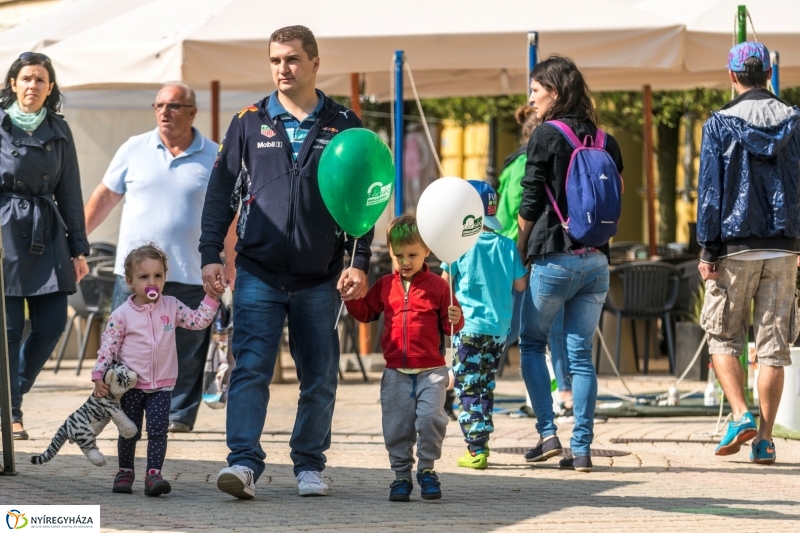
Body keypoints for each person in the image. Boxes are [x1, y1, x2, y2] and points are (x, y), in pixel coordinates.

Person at [200, 25, 372, 500]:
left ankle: (309, 464)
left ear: (315, 63)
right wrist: (210, 253)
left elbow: (365, 198)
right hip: (257, 269)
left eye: (292, 59)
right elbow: (219, 194)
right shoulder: (249, 121)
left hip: (320, 275)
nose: (283, 69)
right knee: (250, 366)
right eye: (276, 60)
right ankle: (243, 463)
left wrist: (359, 260)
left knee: (319, 373)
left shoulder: (345, 123)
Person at [84, 82, 219, 433]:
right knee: (124, 344)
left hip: (190, 269)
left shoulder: (214, 155)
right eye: (159, 105)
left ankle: (178, 415)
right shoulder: (134, 148)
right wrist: (77, 241)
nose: (164, 112)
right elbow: (105, 196)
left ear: (192, 111)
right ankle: (111, 408)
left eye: (173, 106)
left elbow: (227, 216)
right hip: (134, 274)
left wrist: (227, 263)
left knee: (186, 347)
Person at [517, 55, 623, 473]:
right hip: (596, 261)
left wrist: (520, 248)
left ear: (555, 92)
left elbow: (530, 201)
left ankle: (547, 433)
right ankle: (581, 449)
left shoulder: (546, 135)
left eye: (535, 90)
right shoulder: (606, 141)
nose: (530, 99)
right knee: (580, 356)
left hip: (553, 257)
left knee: (531, 343)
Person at [697, 41, 800, 465]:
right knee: (774, 348)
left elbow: (710, 191)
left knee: (723, 336)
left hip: (734, 247)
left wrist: (707, 248)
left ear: (733, 76)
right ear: (769, 74)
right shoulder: (795, 120)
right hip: (782, 248)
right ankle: (766, 440)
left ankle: (740, 415)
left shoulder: (719, 123)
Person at [0, 52, 89, 440]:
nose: (32, 86)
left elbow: (70, 191)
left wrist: (79, 248)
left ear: (50, 88)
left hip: (47, 231)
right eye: (26, 79)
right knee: (8, 329)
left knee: (52, 324)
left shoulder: (59, 129)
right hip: (4, 229)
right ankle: (12, 414)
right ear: (13, 84)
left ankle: (10, 396)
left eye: (40, 80)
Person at [345, 215, 463, 501]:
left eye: (412, 254)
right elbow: (366, 313)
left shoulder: (438, 286)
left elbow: (452, 327)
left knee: (431, 418)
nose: (405, 261)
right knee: (396, 426)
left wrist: (455, 319)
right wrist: (351, 299)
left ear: (427, 251)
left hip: (432, 370)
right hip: (396, 371)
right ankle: (400, 476)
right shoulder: (386, 284)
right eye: (398, 256)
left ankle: (426, 469)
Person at [92, 244, 219, 496]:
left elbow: (197, 321)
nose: (152, 282)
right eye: (144, 277)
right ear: (130, 281)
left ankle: (154, 475)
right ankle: (125, 471)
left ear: (164, 277)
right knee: (129, 430)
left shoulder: (171, 305)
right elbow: (108, 346)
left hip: (162, 384)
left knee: (159, 430)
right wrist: (99, 375)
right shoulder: (122, 315)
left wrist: (211, 298)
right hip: (131, 386)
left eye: (158, 276)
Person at [440, 181, 527, 469]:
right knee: (485, 385)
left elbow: (443, 284)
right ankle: (482, 443)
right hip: (499, 330)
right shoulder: (507, 245)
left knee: (467, 386)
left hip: (468, 328)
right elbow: (521, 283)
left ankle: (476, 449)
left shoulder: (461, 245)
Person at [496, 106, 574, 418]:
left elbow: (503, 214)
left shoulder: (511, 165)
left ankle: (479, 382)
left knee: (518, 329)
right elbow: (522, 207)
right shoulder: (535, 162)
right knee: (549, 328)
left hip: (514, 250)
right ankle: (562, 393)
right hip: (533, 250)